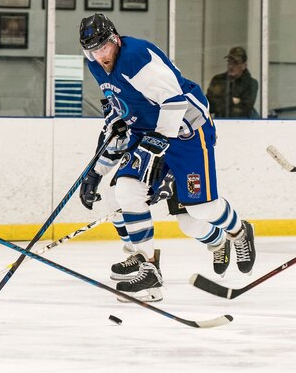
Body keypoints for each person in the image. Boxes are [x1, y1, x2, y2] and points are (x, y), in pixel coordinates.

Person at [78, 13, 257, 302]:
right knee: (124, 191)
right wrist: (96, 172)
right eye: (92, 51)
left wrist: (157, 144)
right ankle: (147, 268)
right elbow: (118, 117)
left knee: (200, 209)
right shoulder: (96, 65)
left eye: (103, 47)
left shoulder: (136, 57)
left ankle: (239, 231)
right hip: (148, 133)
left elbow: (175, 102)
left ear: (115, 39)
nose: (99, 56)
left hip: (186, 131)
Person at [78, 98, 232, 281]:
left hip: (177, 156)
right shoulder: (115, 90)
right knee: (116, 197)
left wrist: (168, 177)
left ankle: (219, 241)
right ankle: (140, 257)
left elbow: (187, 123)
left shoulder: (155, 84)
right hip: (144, 157)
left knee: (190, 223)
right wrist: (95, 173)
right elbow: (114, 136)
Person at [206, 47, 259, 118]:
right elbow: (209, 105)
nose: (231, 66)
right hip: (220, 121)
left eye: (235, 63)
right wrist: (232, 101)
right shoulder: (218, 80)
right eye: (229, 61)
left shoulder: (251, 84)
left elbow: (244, 110)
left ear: (244, 65)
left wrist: (222, 101)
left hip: (243, 124)